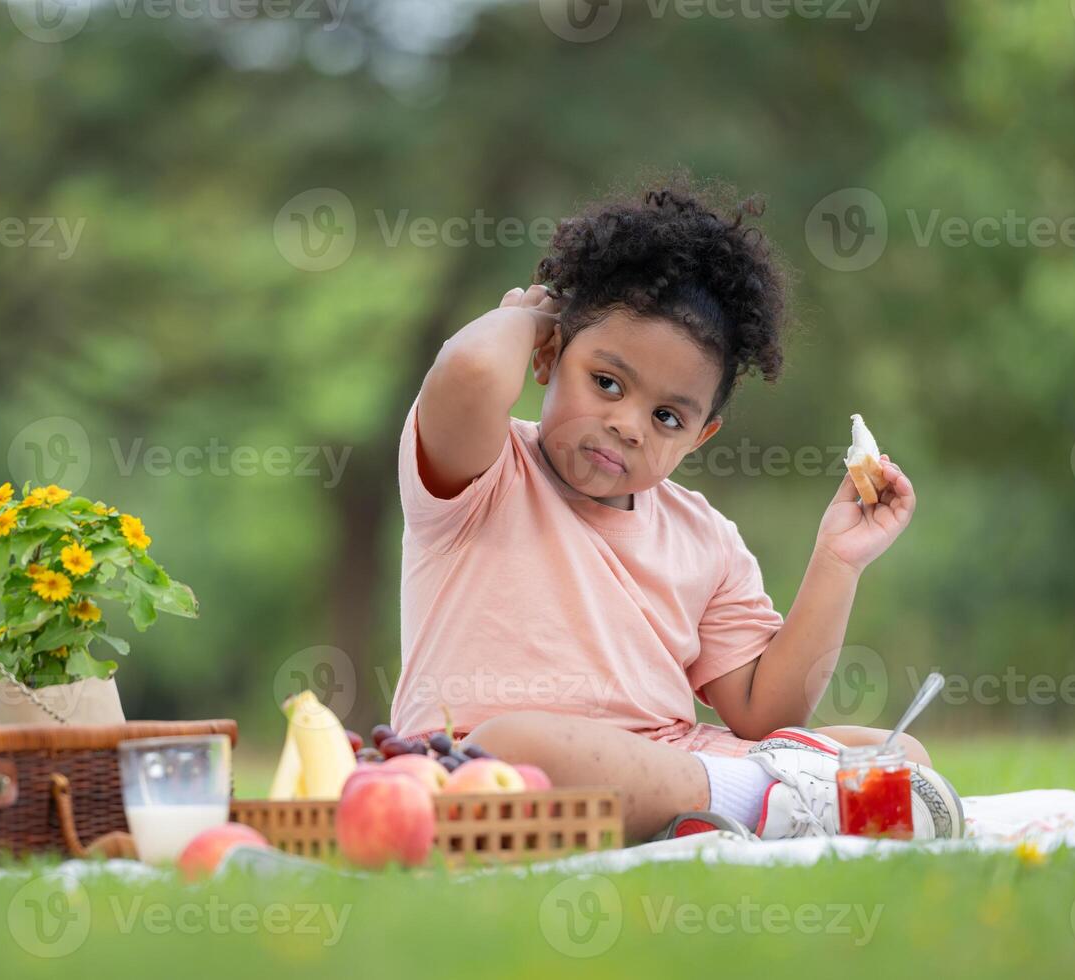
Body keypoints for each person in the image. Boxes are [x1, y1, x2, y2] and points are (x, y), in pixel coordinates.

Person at [391, 177, 962, 841]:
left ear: (700, 436)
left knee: (899, 754)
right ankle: (773, 801)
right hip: (477, 768)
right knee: (518, 747)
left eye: (667, 416)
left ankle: (758, 802)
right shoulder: (485, 470)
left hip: (669, 759)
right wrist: (529, 315)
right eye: (606, 383)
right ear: (547, 357)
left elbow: (763, 712)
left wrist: (837, 560)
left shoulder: (703, 537)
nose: (629, 425)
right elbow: (470, 374)